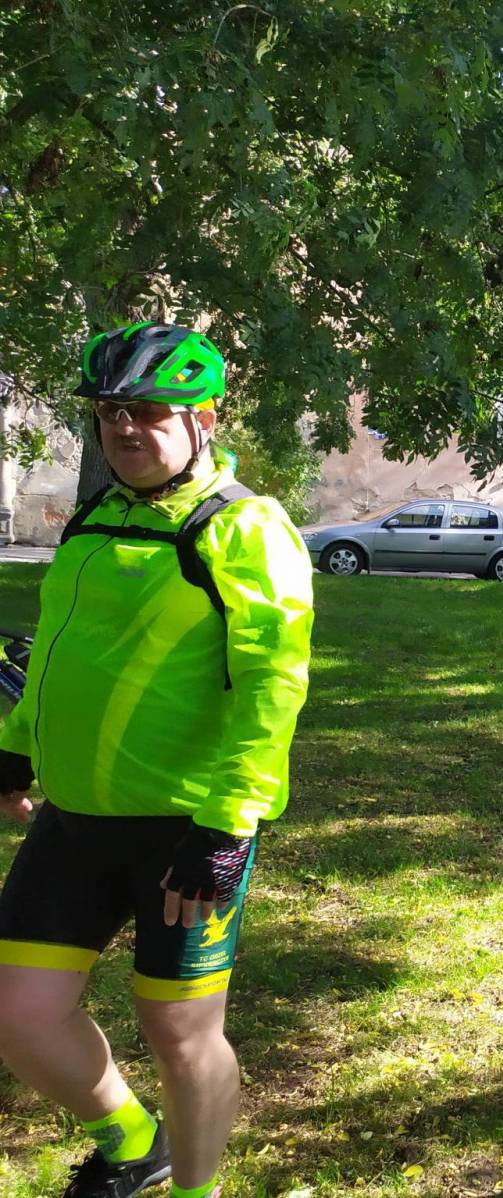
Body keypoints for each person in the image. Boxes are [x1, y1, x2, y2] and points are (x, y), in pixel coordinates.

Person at [0, 324, 315, 1198]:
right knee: (17, 1013)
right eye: (111, 414)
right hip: (75, 822)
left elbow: (272, 686)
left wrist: (228, 824)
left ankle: (195, 1191)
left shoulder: (245, 528)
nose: (125, 429)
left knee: (179, 1032)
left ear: (203, 420)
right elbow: (57, 655)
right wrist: (14, 748)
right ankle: (136, 1144)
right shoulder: (95, 522)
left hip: (184, 829)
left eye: (148, 412)